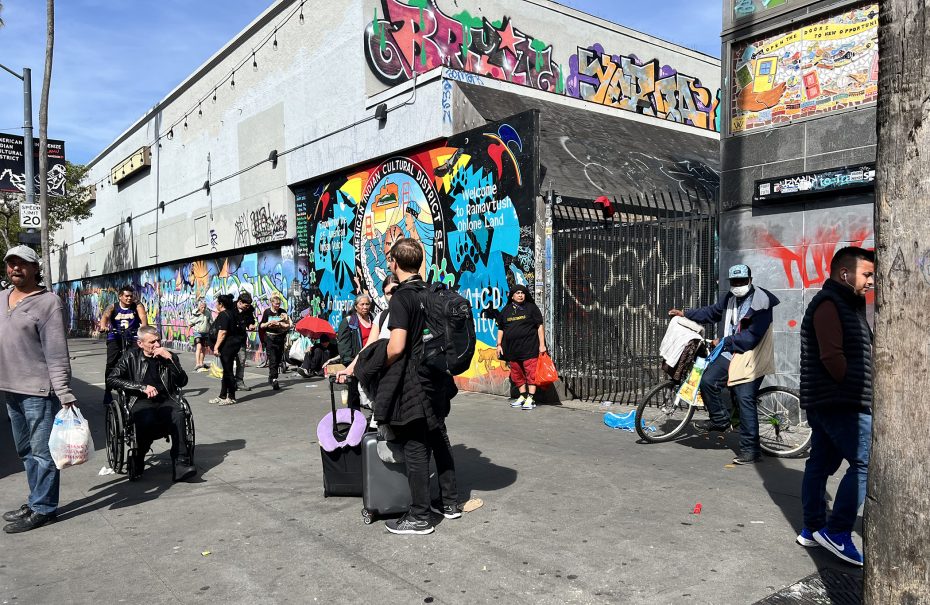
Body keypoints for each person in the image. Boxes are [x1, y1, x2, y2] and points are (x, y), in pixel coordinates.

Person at [797, 247, 874, 567]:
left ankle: (813, 529)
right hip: (840, 400)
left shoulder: (846, 304)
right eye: (867, 274)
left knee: (821, 463)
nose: (872, 281)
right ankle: (838, 531)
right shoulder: (830, 303)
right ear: (845, 273)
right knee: (865, 462)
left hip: (831, 399)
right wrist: (854, 388)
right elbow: (831, 356)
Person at [380, 238, 459, 535]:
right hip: (438, 376)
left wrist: (381, 366)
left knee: (415, 445)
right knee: (438, 436)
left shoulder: (402, 297)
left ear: (394, 263)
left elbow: (397, 346)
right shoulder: (432, 292)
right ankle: (450, 503)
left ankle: (420, 516)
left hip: (414, 378)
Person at [669, 263, 779, 465]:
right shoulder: (730, 298)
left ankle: (750, 450)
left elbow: (751, 337)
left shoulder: (761, 303)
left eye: (742, 281)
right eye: (734, 282)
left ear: (750, 281)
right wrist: (686, 314)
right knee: (708, 380)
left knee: (744, 397)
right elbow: (712, 313)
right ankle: (720, 419)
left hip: (751, 355)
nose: (738, 285)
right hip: (731, 351)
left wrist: (725, 341)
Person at [0, 245, 77, 533]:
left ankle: (44, 508)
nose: (15, 269)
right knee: (25, 450)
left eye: (22, 264)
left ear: (35, 269)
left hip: (38, 390)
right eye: (11, 264)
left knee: (43, 452)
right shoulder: (2, 297)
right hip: (10, 389)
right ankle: (35, 500)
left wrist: (64, 392)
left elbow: (56, 352)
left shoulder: (48, 303)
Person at [106, 325, 196, 481]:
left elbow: (183, 381)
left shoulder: (169, 356)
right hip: (140, 401)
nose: (157, 345)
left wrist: (170, 361)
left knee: (179, 413)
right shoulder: (130, 357)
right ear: (140, 343)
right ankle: (138, 456)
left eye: (158, 340)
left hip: (166, 399)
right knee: (146, 419)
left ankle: (180, 463)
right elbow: (112, 379)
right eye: (152, 342)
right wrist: (141, 387)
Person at [496, 285, 546, 410]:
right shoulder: (506, 310)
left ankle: (531, 398)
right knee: (516, 374)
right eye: (517, 293)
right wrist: (498, 345)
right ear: (512, 296)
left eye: (522, 293)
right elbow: (501, 328)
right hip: (512, 349)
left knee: (531, 373)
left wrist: (542, 345)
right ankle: (523, 396)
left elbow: (539, 326)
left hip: (530, 348)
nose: (520, 295)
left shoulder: (531, 308)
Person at [99, 285, 147, 403]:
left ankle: (138, 387)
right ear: (120, 296)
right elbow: (105, 316)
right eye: (126, 296)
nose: (129, 298)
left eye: (131, 296)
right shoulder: (113, 307)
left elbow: (143, 317)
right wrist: (103, 326)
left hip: (132, 336)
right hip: (115, 336)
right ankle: (108, 391)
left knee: (138, 360)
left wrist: (144, 328)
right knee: (111, 363)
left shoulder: (137, 306)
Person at [337, 293, 373, 410]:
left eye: (367, 304)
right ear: (356, 306)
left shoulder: (374, 319)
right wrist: (350, 363)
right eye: (362, 304)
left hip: (373, 359)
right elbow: (344, 346)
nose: (365, 307)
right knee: (354, 392)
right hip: (356, 361)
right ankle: (354, 417)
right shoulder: (348, 322)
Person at [210, 294, 242, 406]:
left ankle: (231, 396)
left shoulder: (224, 315)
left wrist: (216, 347)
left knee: (228, 372)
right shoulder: (231, 313)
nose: (216, 305)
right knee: (226, 371)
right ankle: (222, 395)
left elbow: (222, 332)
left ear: (221, 304)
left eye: (217, 302)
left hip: (227, 346)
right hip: (231, 345)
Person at [260, 295, 292, 390]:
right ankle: (274, 379)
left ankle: (271, 376)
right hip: (270, 338)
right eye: (276, 304)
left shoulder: (282, 312)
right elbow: (262, 325)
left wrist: (279, 323)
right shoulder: (267, 312)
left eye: (279, 304)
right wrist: (269, 323)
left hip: (280, 338)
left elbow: (288, 325)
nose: (278, 306)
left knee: (278, 359)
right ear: (272, 303)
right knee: (272, 359)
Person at [234, 291, 256, 392]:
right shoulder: (230, 308)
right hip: (229, 340)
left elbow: (251, 321)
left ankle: (239, 382)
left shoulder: (249, 310)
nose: (247, 308)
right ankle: (229, 383)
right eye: (245, 305)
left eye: (248, 306)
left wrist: (251, 325)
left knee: (241, 360)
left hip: (241, 339)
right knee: (228, 363)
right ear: (239, 302)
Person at [190, 298, 213, 372]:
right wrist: (187, 333)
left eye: (204, 307)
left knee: (203, 349)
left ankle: (201, 363)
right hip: (198, 332)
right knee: (199, 347)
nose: (203, 309)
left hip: (205, 333)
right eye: (202, 307)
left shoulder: (208, 313)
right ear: (199, 307)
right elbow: (190, 324)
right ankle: (197, 363)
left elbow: (211, 322)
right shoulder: (195, 314)